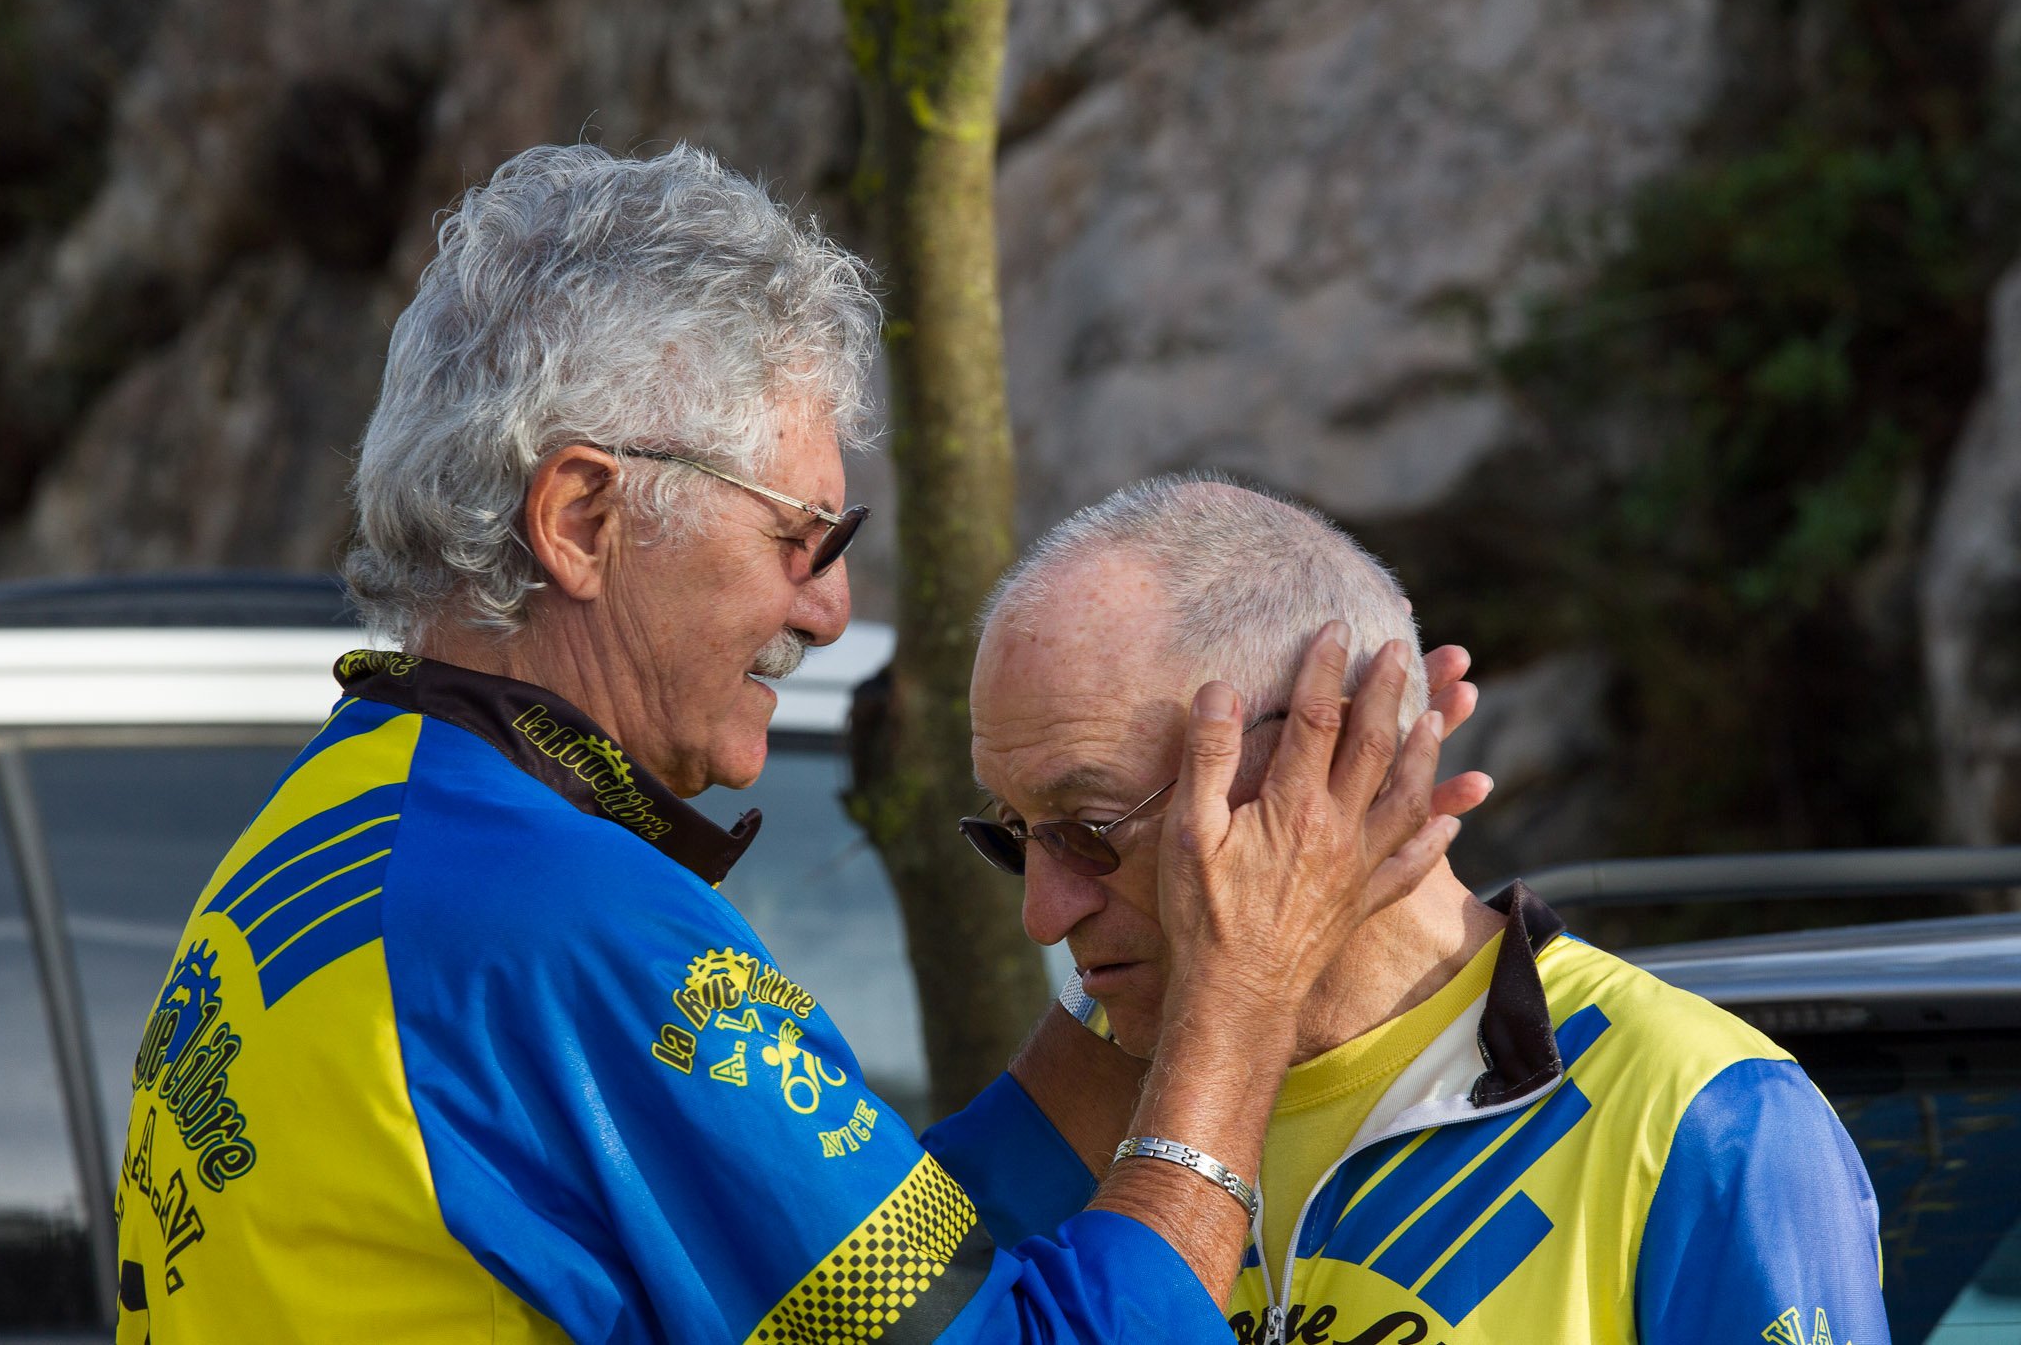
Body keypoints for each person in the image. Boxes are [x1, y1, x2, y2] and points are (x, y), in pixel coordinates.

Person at [114, 144, 1477, 1344]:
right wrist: (1237, 997)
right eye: (802, 538)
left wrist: (1140, 964)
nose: (826, 608)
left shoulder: (341, 826)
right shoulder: (558, 922)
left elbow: (837, 1281)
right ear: (582, 519)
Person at [966, 475, 1891, 1345]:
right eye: (1014, 833)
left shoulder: (1703, 1113)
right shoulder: (1067, 1122)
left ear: (1328, 755)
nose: (1042, 915)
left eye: (1089, 828)